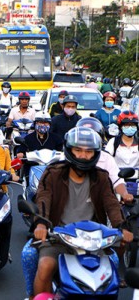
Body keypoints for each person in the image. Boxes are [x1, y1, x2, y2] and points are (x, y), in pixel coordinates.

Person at [31, 127, 133, 296]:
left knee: (111, 269)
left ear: (96, 153)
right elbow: (43, 199)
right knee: (44, 265)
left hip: (93, 241)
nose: (83, 155)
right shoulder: (53, 173)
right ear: (69, 150)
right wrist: (41, 223)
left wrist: (122, 226)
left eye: (89, 151)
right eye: (78, 150)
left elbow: (112, 204)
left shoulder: (101, 176)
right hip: (58, 237)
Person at [76, 117, 134, 203]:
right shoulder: (67, 157)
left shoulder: (106, 158)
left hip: (100, 204)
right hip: (72, 204)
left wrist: (125, 194)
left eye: (93, 139)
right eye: (84, 138)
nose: (87, 142)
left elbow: (117, 181)